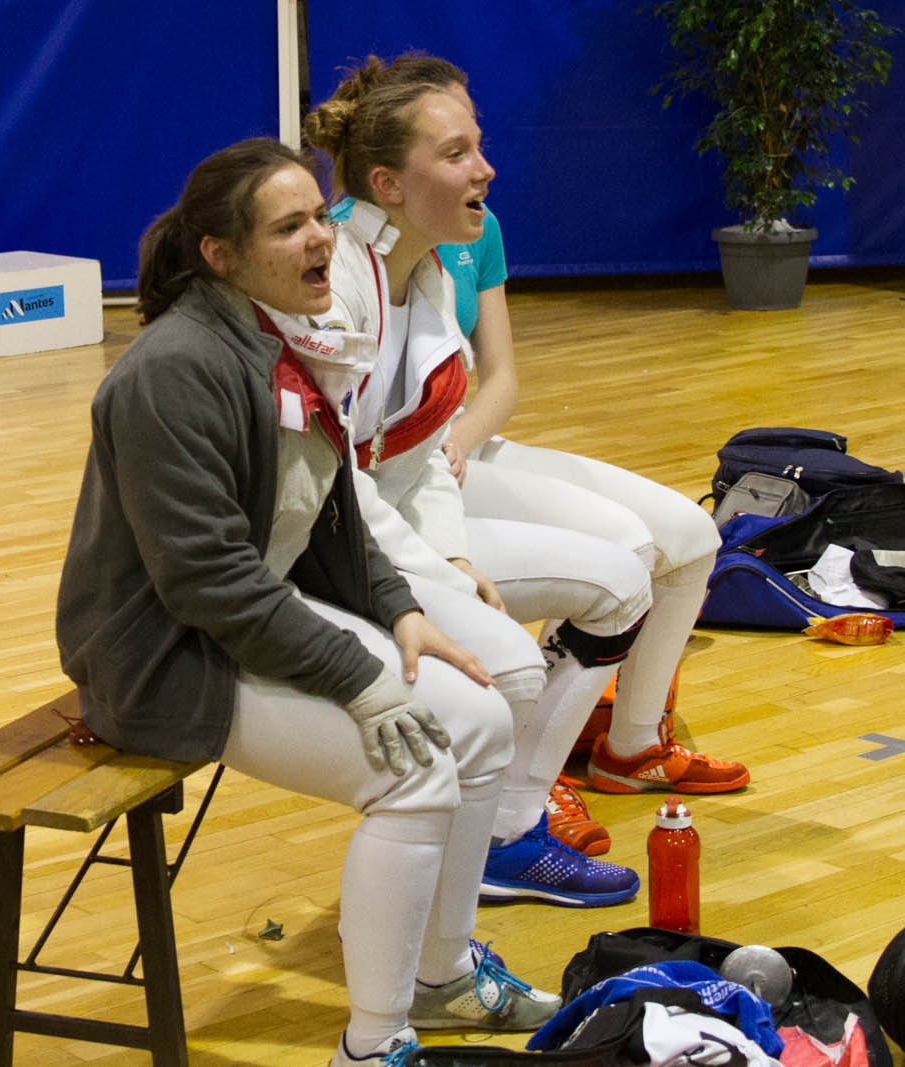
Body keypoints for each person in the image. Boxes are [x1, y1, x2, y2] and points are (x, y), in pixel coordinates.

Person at [54, 137, 559, 1066]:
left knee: (485, 723)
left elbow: (330, 507)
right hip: (166, 657)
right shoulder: (172, 371)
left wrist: (399, 609)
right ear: (221, 255)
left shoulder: (281, 331)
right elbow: (205, 579)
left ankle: (442, 975)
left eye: (318, 217)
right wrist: (359, 677)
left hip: (247, 619)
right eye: (287, 228)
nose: (320, 239)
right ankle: (372, 1044)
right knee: (415, 770)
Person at [302, 56, 746, 884]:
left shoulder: (427, 267)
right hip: (330, 545)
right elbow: (330, 478)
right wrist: (436, 568)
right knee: (533, 642)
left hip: (399, 510)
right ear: (386, 183)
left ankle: (535, 806)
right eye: (456, 151)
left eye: (478, 142)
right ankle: (502, 825)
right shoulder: (339, 282)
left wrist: (452, 551)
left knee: (653, 557)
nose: (486, 169)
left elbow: (425, 452)